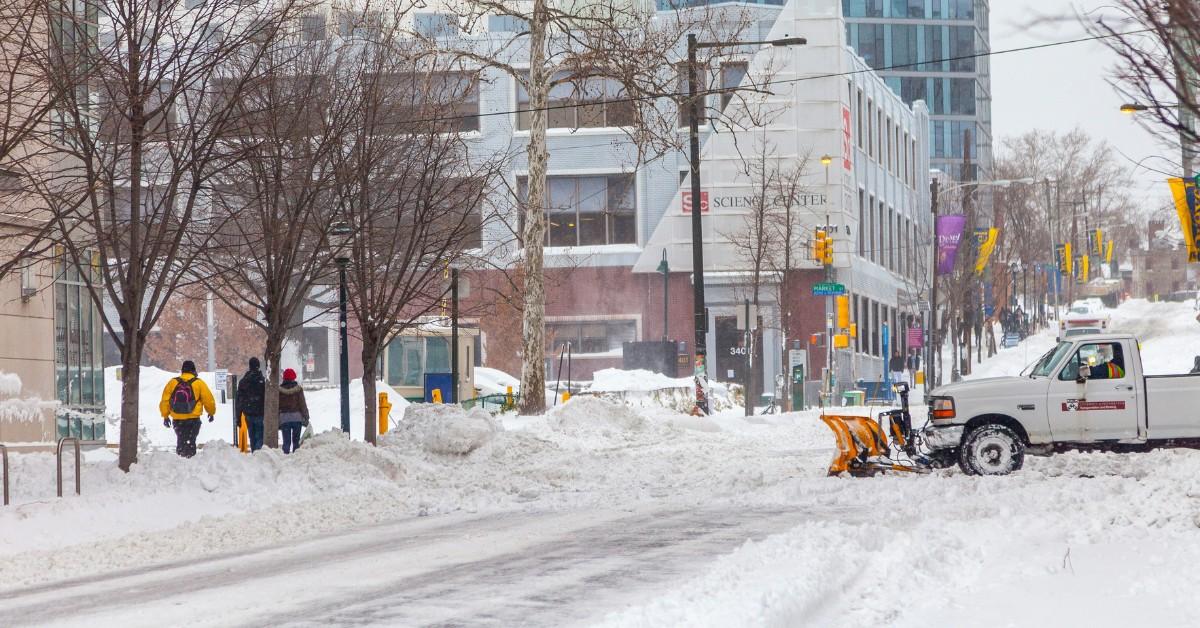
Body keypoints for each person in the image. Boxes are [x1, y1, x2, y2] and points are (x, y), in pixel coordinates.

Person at [159, 360, 216, 458]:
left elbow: (165, 400)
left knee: (181, 439)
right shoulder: (199, 383)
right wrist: (211, 412)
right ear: (194, 370)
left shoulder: (173, 382)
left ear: (182, 370)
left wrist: (165, 416)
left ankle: (181, 459)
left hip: (178, 419)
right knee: (191, 440)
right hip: (193, 419)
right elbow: (208, 399)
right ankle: (190, 460)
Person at [236, 357, 266, 451]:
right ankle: (258, 454)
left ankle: (254, 453)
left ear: (249, 366)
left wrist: (238, 417)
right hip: (260, 412)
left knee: (252, 436)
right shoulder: (262, 381)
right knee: (259, 436)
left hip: (248, 413)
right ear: (258, 366)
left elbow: (239, 400)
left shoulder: (243, 382)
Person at [277, 368, 310, 454]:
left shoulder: (279, 390)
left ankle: (285, 456)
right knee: (296, 441)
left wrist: (277, 419)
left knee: (286, 442)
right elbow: (302, 404)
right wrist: (306, 416)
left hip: (284, 419)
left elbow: (277, 405)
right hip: (297, 418)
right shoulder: (298, 389)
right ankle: (296, 457)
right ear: (294, 377)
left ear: (284, 378)